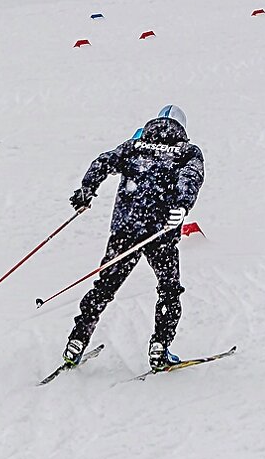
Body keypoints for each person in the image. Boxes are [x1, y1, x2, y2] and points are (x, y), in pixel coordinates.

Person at [62, 104, 205, 371]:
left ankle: (77, 340)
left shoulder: (134, 146)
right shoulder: (187, 151)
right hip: (160, 231)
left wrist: (87, 189)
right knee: (169, 290)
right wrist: (182, 206)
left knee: (104, 287)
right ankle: (160, 347)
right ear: (182, 128)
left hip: (126, 228)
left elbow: (104, 161)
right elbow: (191, 177)